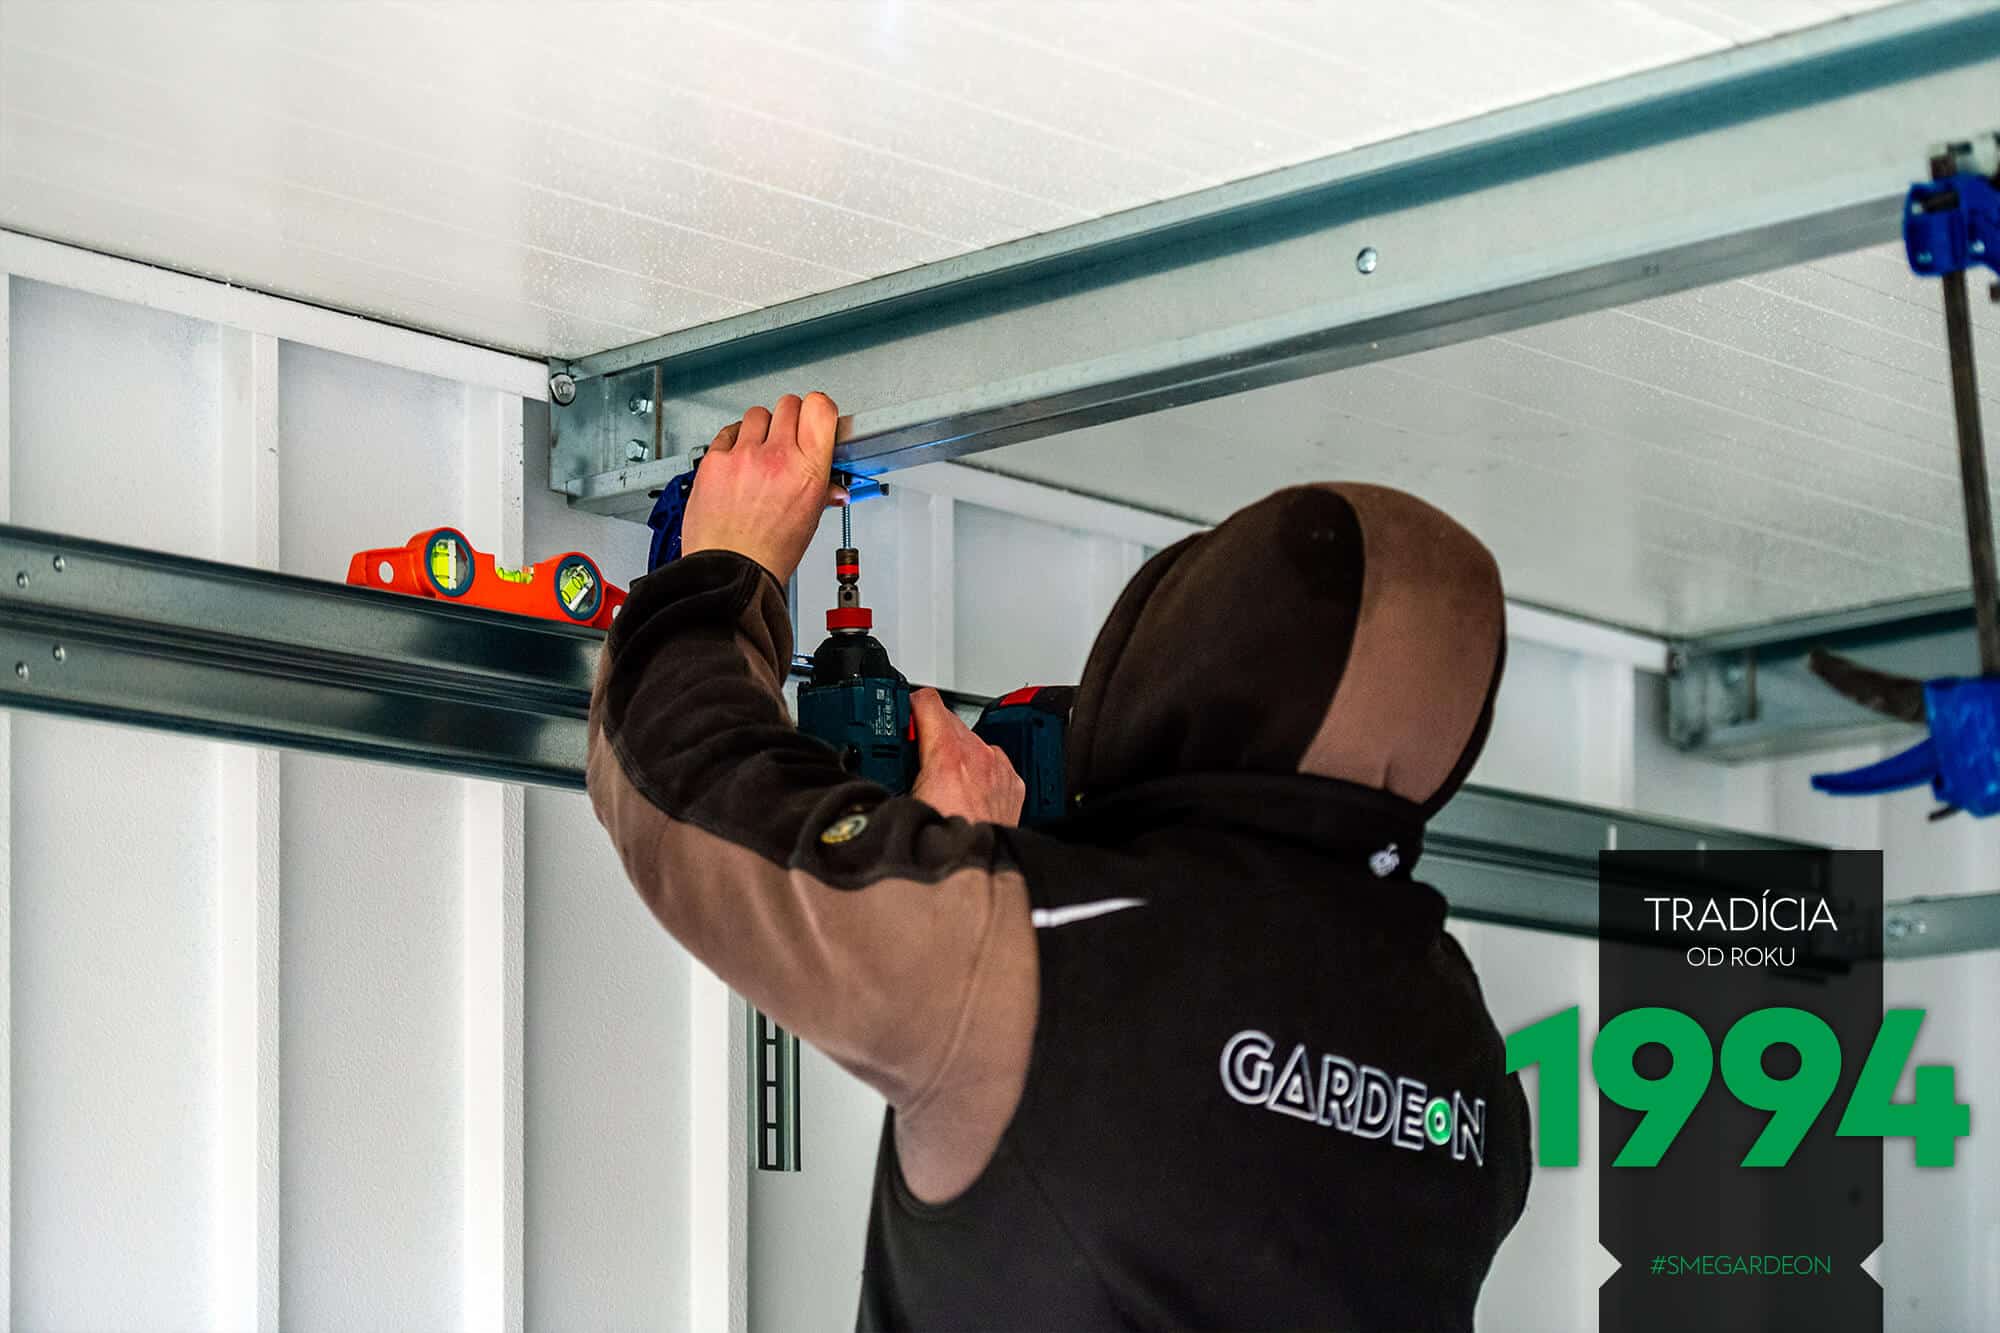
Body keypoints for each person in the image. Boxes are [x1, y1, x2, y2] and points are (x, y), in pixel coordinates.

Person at [588, 391, 1532, 1331]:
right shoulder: (1470, 1065)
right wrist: (980, 872)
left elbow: (680, 776)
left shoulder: (1037, 949)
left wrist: (728, 567)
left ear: (1194, 644)